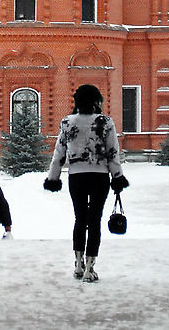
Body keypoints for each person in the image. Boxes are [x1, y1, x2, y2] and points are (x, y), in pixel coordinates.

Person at [43, 84, 129, 282]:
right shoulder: (106, 122)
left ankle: (78, 264)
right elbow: (113, 153)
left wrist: (53, 178)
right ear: (96, 101)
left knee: (80, 219)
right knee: (95, 220)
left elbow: (58, 154)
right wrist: (117, 177)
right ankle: (91, 268)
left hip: (77, 177)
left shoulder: (67, 122)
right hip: (99, 177)